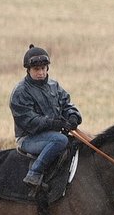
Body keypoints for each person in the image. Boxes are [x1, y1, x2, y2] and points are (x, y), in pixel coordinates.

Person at [10, 45, 81, 190]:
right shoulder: (20, 91)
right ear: (28, 70)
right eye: (36, 69)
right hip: (29, 138)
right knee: (61, 140)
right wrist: (53, 123)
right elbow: (29, 121)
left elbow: (67, 104)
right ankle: (34, 173)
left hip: (52, 134)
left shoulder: (54, 86)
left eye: (43, 68)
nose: (41, 72)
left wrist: (73, 117)